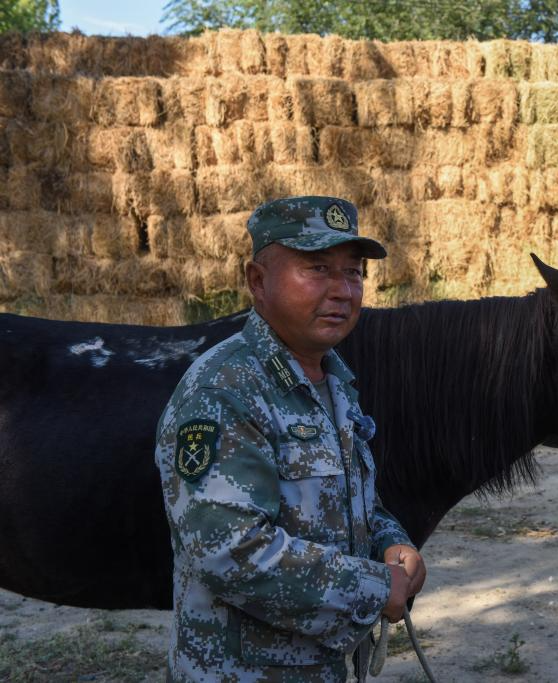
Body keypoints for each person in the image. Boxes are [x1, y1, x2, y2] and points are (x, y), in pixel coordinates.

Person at [154, 196, 426, 682]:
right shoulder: (225, 391)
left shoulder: (332, 381)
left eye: (354, 272)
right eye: (318, 268)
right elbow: (230, 550)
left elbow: (346, 499)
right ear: (258, 281)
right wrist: (373, 586)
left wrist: (390, 542)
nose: (343, 290)